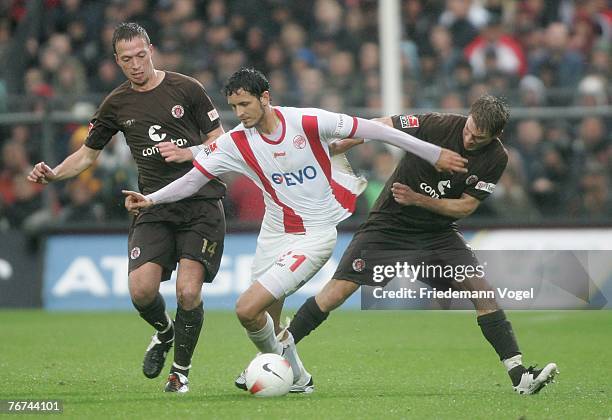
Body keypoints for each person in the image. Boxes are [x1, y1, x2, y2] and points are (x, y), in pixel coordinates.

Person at [123, 67, 468, 393]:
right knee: (265, 317)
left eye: (245, 104)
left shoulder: (306, 120)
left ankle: (281, 368)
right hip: (274, 231)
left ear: (265, 98)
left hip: (315, 234)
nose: (240, 112)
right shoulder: (236, 142)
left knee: (246, 309)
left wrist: (433, 153)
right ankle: (295, 375)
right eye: (233, 106)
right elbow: (195, 179)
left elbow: (374, 129)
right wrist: (151, 200)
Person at [286, 95, 559, 395]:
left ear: (496, 136)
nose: (469, 139)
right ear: (467, 116)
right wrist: (341, 146)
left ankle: (520, 376)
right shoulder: (436, 124)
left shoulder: (497, 158)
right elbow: (381, 126)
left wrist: (419, 199)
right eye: (469, 130)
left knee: (482, 292)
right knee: (335, 293)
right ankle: (276, 353)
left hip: (437, 233)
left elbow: (465, 207)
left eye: (478, 138)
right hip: (389, 226)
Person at [27, 23, 226, 393]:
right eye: (126, 59)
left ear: (151, 49)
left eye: (140, 55)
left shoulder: (188, 88)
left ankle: (179, 373)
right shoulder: (116, 103)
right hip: (152, 204)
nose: (136, 64)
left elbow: (221, 142)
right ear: (116, 61)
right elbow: (87, 155)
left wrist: (190, 152)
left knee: (187, 292)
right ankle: (164, 332)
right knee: (141, 291)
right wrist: (54, 174)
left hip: (200, 203)